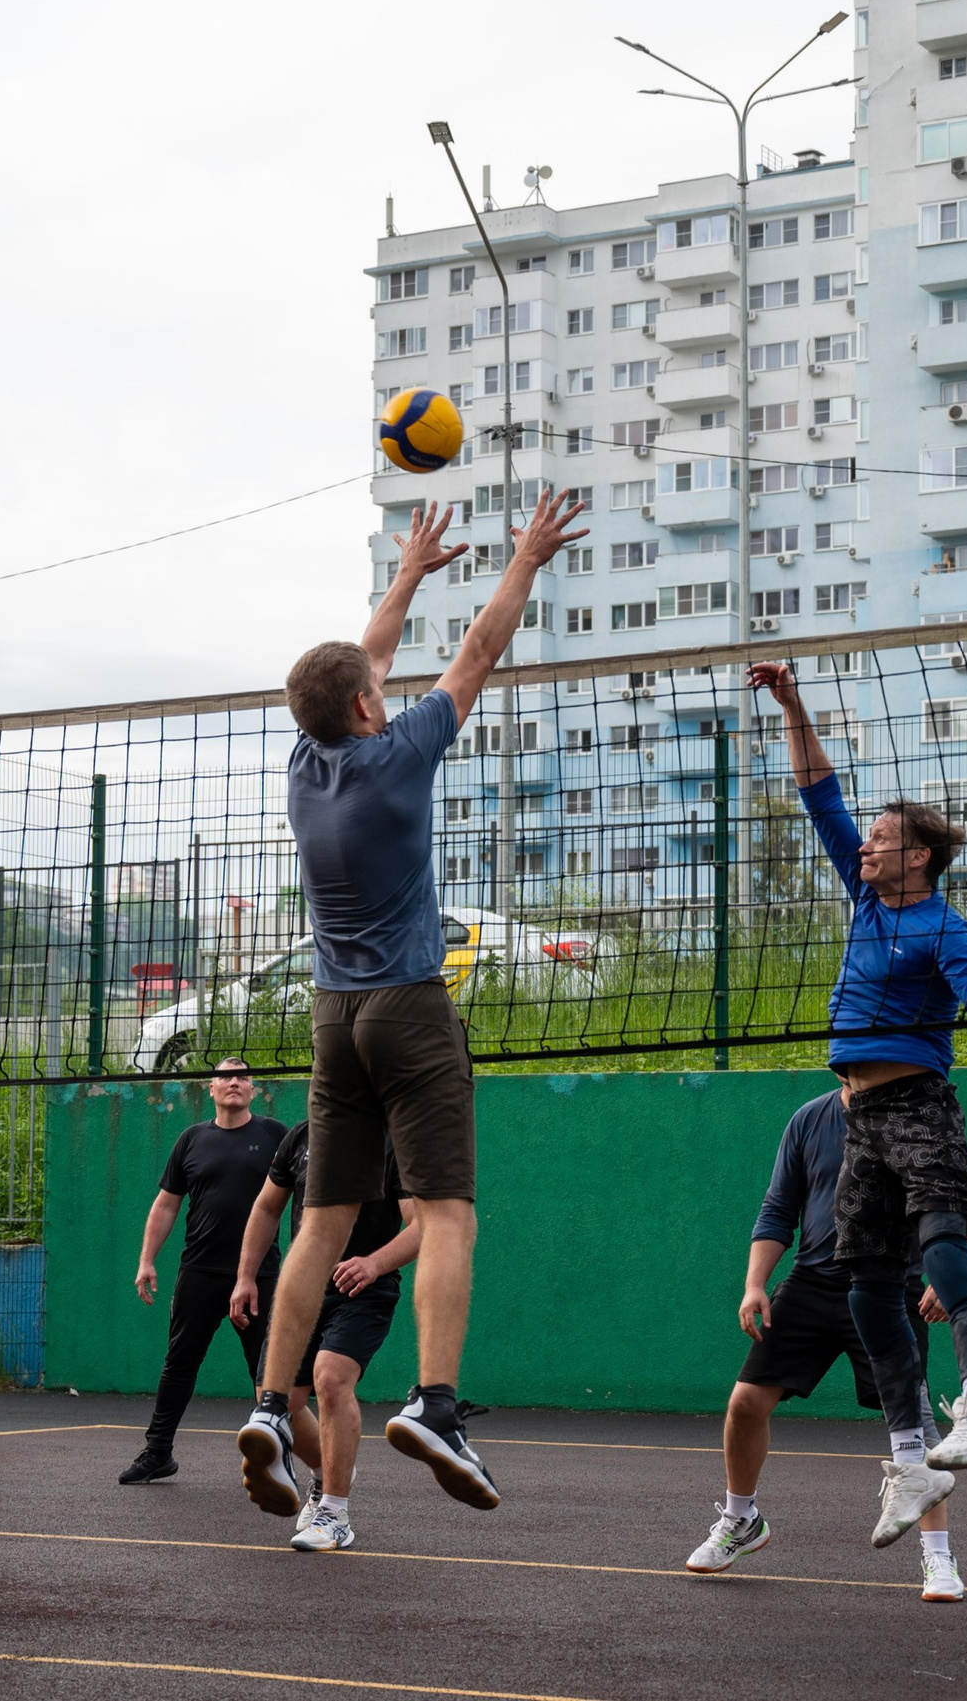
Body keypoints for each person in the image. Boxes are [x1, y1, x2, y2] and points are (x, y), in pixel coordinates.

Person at [239, 489, 588, 1518]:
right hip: (406, 1007)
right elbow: (476, 653)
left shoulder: (306, 765)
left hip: (330, 1020)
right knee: (444, 1212)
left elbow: (366, 659)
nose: (383, 692)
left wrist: (405, 574)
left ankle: (268, 1405)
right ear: (364, 709)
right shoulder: (395, 757)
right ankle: (434, 1402)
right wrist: (523, 557)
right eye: (372, 691)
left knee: (322, 1221)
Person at [746, 661, 967, 1550]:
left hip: (917, 1101)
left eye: (880, 839)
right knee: (871, 1279)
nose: (863, 846)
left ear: (919, 855)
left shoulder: (944, 927)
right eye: (863, 839)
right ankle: (912, 1460)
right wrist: (794, 703)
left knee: (942, 1236)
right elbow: (818, 793)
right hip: (857, 1112)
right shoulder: (865, 899)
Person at [685, 1089, 967, 1603]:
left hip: (893, 1284)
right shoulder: (808, 1119)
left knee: (913, 1423)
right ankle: (742, 1520)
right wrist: (755, 1285)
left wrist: (951, 1275)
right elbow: (778, 1208)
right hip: (813, 1283)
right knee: (745, 1404)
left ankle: (939, 1556)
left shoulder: (919, 1114)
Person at [229, 1120, 421, 1553]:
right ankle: (329, 1471)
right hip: (303, 1288)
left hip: (364, 1289)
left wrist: (374, 1263)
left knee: (331, 1378)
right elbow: (266, 1208)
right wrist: (245, 1277)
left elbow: (421, 1226)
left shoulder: (397, 1142)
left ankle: (335, 1513)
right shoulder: (300, 1137)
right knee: (275, 1400)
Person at [119, 1058, 294, 1485]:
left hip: (260, 1275)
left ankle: (276, 1461)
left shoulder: (276, 1135)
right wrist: (146, 1260)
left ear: (253, 1089)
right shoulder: (192, 1139)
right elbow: (166, 1205)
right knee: (179, 1364)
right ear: (211, 1089)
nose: (234, 1081)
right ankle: (157, 1452)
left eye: (243, 1076)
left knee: (269, 1371)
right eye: (225, 1076)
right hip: (200, 1271)